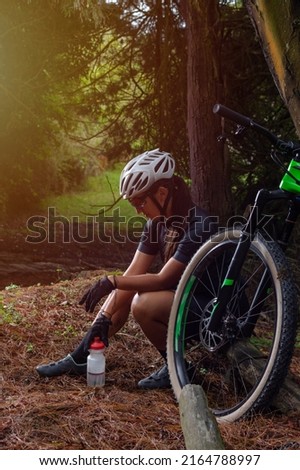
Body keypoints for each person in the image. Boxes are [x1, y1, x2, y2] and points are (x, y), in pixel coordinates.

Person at [36, 149, 216, 389]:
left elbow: (163, 279)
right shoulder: (157, 224)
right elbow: (132, 274)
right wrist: (105, 317)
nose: (138, 210)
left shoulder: (199, 225)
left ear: (162, 193)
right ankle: (80, 357)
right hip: (184, 302)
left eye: (140, 201)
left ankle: (179, 369)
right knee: (127, 291)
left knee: (144, 303)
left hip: (214, 313)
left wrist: (111, 281)